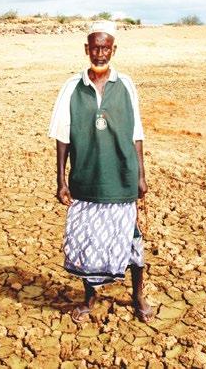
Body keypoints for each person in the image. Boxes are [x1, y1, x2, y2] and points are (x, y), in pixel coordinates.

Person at [48, 20, 154, 323]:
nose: (100, 52)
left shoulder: (126, 85)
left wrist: (140, 175)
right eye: (95, 47)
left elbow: (136, 132)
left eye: (105, 47)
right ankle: (89, 298)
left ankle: (137, 296)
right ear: (86, 49)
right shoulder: (71, 88)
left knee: (132, 239)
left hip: (121, 178)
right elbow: (62, 136)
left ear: (113, 49)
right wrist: (61, 180)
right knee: (87, 241)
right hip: (86, 179)